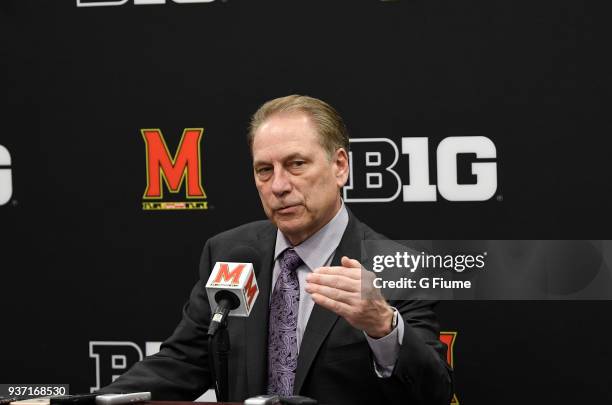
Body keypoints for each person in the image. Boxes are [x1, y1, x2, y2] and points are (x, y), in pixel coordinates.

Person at [100, 95, 453, 404]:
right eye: (264, 170)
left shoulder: (397, 266)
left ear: (339, 166)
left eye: (296, 164)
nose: (279, 186)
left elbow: (432, 393)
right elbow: (183, 363)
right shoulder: (229, 252)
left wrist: (382, 326)